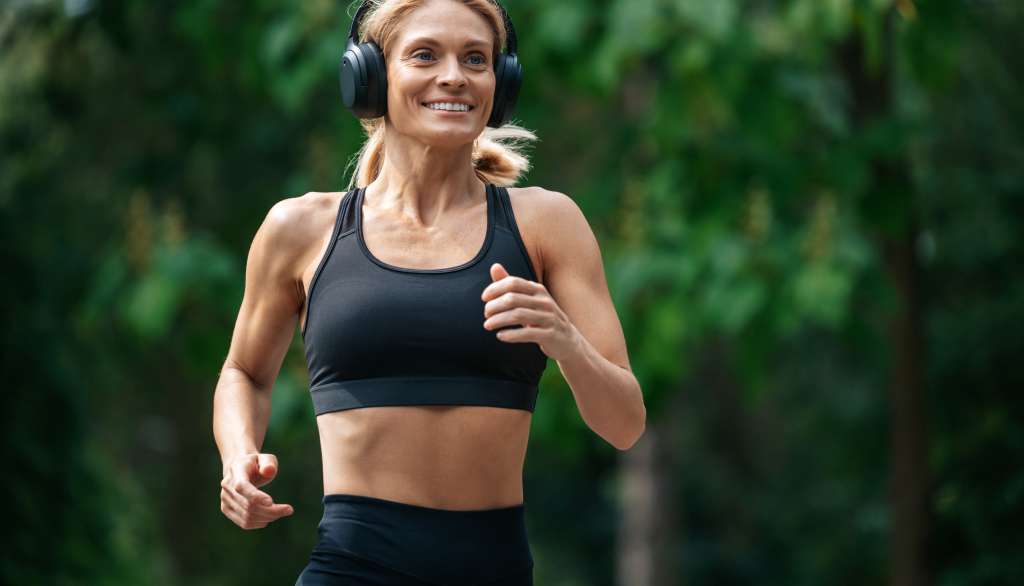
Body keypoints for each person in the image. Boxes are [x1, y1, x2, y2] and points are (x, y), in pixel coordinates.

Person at [212, 0, 646, 583]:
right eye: (424, 55)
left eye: (476, 59)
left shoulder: (546, 223)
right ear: (369, 75)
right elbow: (245, 373)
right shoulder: (302, 229)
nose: (454, 76)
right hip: (350, 570)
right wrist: (238, 457)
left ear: (502, 81)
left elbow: (625, 424)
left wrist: (565, 341)